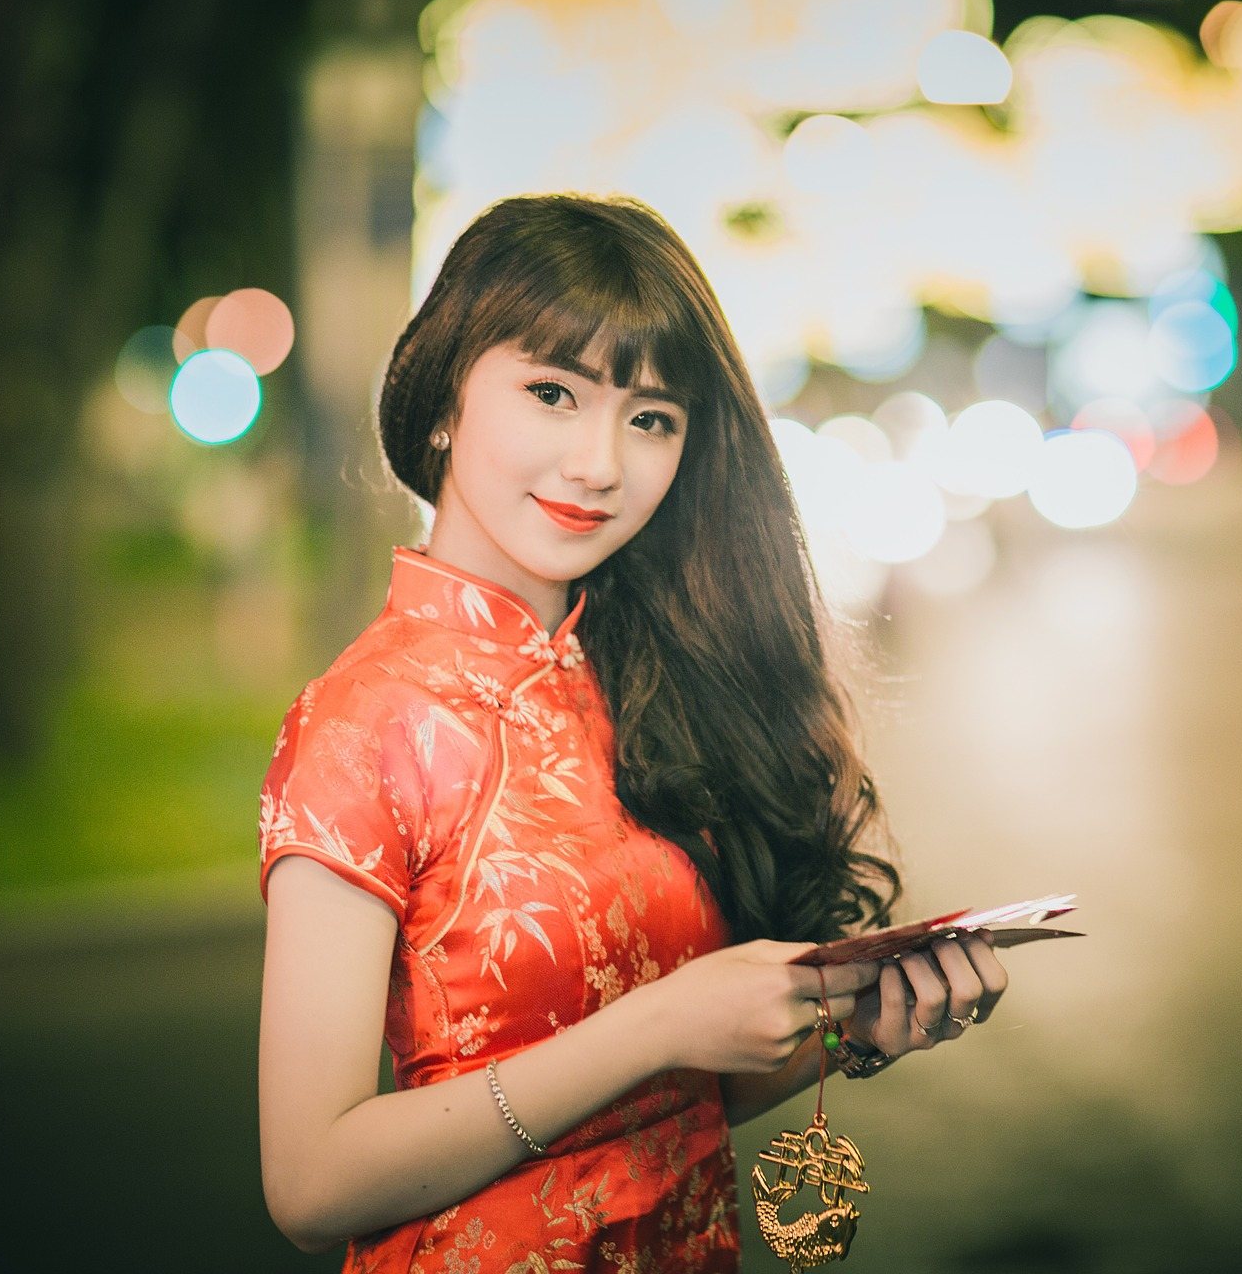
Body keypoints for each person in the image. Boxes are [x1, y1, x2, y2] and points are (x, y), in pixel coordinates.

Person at [256, 193, 1009, 1270]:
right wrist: (657, 1023)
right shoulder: (361, 723)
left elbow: (656, 1111)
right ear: (442, 403)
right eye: (553, 393)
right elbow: (310, 1179)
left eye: (651, 416)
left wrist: (853, 1025)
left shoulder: (645, 682)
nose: (600, 461)